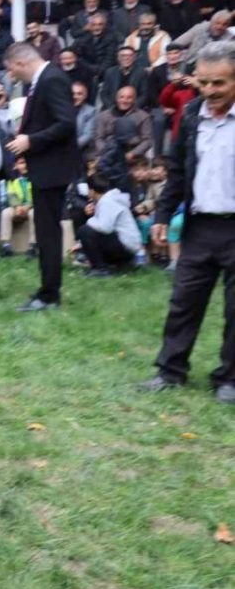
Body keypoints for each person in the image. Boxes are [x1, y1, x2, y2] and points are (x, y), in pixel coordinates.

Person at [141, 41, 235, 405]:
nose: (210, 91)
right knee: (184, 301)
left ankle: (229, 379)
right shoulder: (193, 114)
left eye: (219, 84)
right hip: (199, 226)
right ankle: (170, 371)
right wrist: (163, 215)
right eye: (204, 83)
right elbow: (177, 170)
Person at [3, 42, 82, 312]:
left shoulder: (52, 79)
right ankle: (48, 291)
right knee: (47, 232)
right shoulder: (44, 80)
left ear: (21, 63)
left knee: (48, 234)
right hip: (46, 168)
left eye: (11, 69)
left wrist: (30, 141)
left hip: (52, 169)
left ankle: (48, 296)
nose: (12, 75)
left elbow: (66, 123)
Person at [75, 172, 141, 277]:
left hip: (126, 248)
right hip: (127, 247)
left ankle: (100, 269)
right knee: (89, 232)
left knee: (84, 231)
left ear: (92, 191)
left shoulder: (107, 202)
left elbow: (105, 228)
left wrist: (90, 221)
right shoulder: (109, 199)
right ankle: (117, 265)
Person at [0, 157, 37, 257]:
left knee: (34, 213)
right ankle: (6, 245)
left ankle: (33, 245)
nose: (24, 165)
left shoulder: (35, 178)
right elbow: (11, 195)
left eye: (26, 162)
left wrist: (27, 206)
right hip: (17, 208)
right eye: (21, 163)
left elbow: (36, 196)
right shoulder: (13, 180)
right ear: (16, 166)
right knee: (6, 213)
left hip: (30, 208)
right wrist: (17, 207)